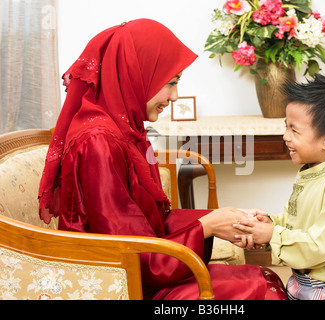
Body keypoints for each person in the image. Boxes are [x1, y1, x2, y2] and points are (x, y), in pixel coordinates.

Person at [37, 19, 286, 300]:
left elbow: (148, 225)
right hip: (118, 286)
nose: (175, 96)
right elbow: (130, 253)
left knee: (263, 278)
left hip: (136, 274)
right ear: (136, 73)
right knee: (262, 289)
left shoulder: (123, 129)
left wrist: (222, 218)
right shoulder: (98, 142)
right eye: (171, 83)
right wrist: (207, 226)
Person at [234, 74, 325, 300]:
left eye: (294, 130)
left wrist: (273, 235)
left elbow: (320, 246)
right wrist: (271, 223)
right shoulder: (310, 173)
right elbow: (297, 222)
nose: (285, 136)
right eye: (286, 127)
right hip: (303, 282)